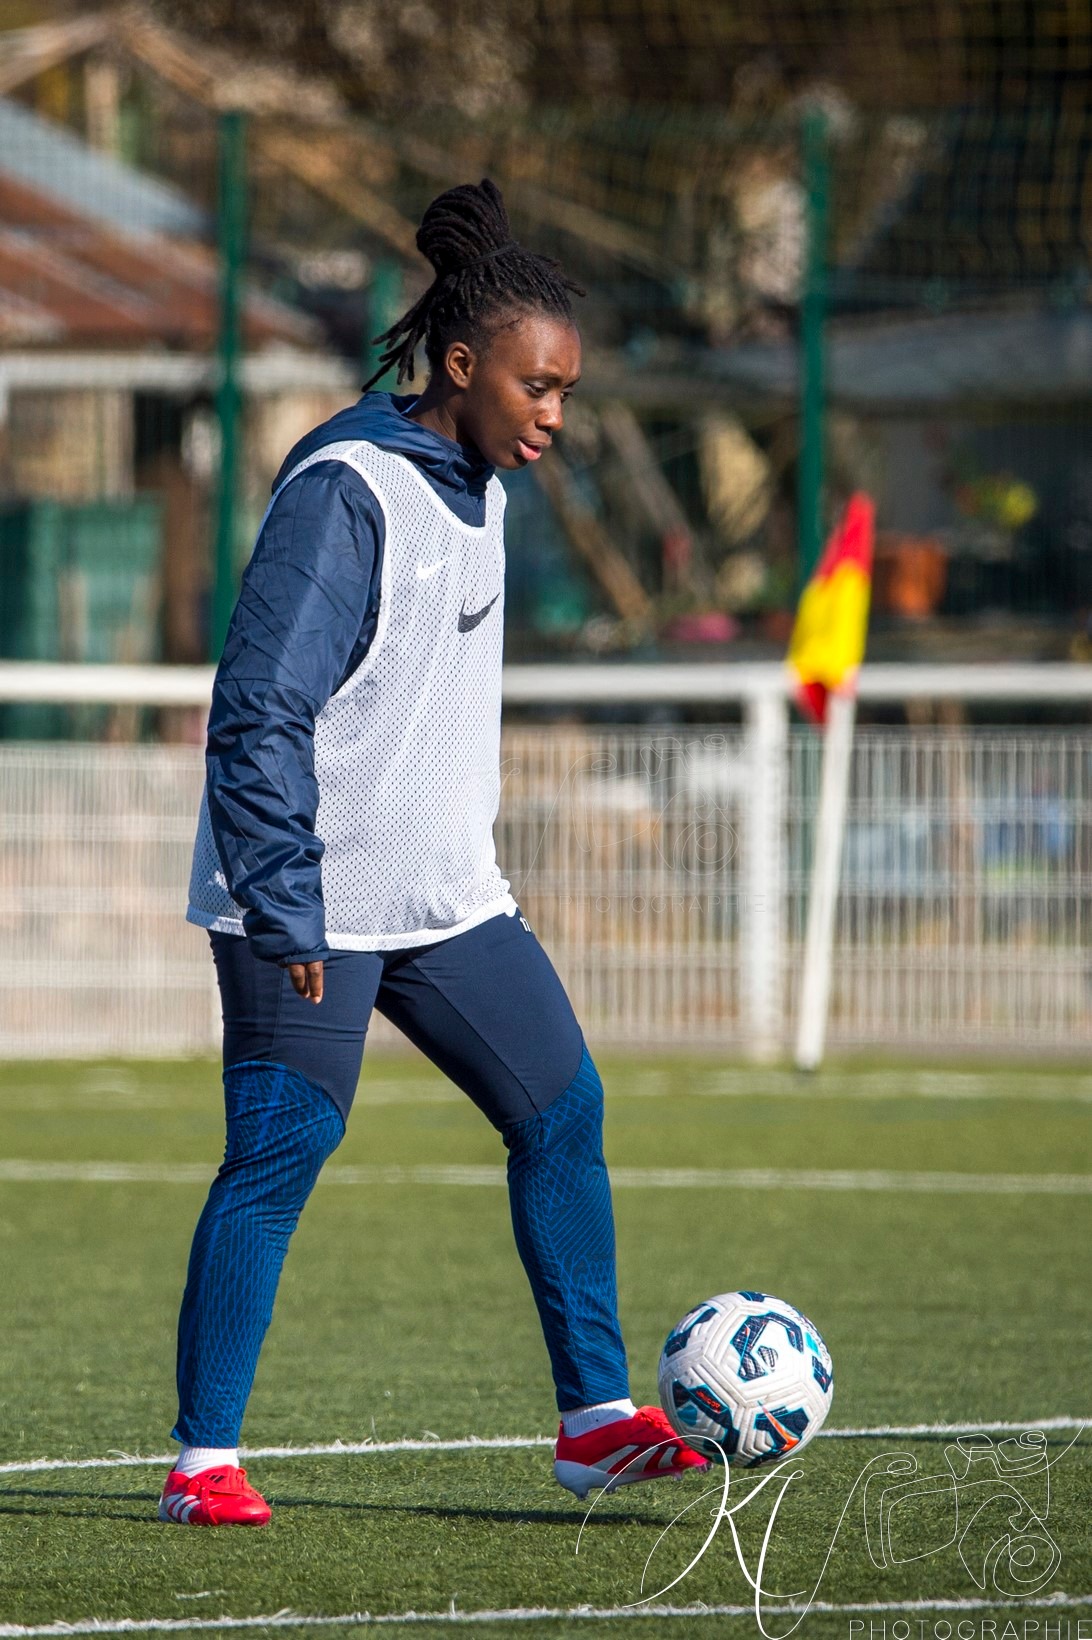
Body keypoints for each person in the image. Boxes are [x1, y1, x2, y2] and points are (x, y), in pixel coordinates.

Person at [161, 178, 706, 1527]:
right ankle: (200, 1465)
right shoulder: (346, 494)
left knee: (561, 1112)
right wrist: (285, 913)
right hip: (308, 900)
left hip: (448, 901)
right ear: (461, 367)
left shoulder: (488, 486)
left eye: (568, 392)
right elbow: (259, 708)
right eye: (539, 389)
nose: (555, 417)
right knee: (284, 1147)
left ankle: (591, 1422)